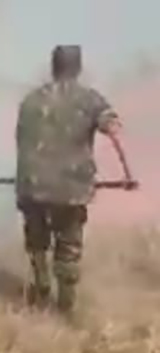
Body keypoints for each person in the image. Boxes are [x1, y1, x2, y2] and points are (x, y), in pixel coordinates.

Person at [16, 45, 134, 316]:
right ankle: (65, 308)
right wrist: (128, 173)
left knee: (37, 242)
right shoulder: (90, 99)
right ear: (78, 68)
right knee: (68, 245)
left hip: (30, 184)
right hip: (69, 188)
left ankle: (42, 291)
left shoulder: (31, 100)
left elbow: (21, 140)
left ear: (53, 67)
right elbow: (113, 129)